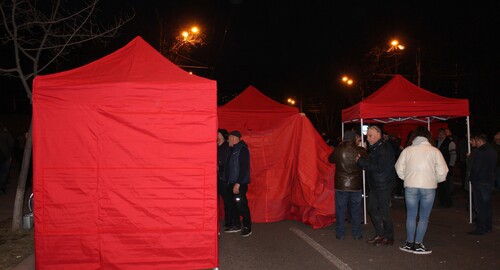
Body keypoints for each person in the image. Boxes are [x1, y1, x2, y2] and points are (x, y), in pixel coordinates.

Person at [395, 126, 449, 254]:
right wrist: (434, 180)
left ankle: (409, 244)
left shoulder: (407, 150)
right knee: (424, 216)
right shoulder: (435, 151)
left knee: (411, 215)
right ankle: (418, 244)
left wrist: (406, 178)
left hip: (411, 186)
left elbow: (399, 168)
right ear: (428, 137)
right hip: (428, 187)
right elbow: (443, 171)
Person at [356, 126, 396, 246]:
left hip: (383, 184)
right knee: (372, 208)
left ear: (378, 134)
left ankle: (388, 237)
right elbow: (374, 164)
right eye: (367, 135)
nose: (368, 138)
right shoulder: (377, 147)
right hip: (376, 184)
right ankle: (381, 233)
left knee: (384, 212)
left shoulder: (383, 148)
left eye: (370, 136)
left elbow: (378, 167)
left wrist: (361, 162)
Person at [328, 130, 367, 240]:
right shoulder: (361, 150)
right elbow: (367, 162)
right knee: (356, 209)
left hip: (341, 184)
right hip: (356, 185)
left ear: (344, 139)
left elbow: (330, 160)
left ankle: (340, 233)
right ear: (355, 139)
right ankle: (357, 233)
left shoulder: (338, 150)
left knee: (341, 209)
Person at [223, 130, 252, 237]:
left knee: (241, 205)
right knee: (233, 205)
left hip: (238, 184)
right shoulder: (232, 150)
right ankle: (236, 225)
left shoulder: (242, 150)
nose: (228, 140)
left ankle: (247, 227)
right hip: (231, 183)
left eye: (229, 138)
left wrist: (238, 183)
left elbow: (244, 169)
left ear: (234, 139)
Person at [467, 133, 497, 235]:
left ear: (480, 141)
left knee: (480, 206)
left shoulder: (479, 152)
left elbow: (476, 167)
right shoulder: (493, 151)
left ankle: (481, 227)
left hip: (480, 181)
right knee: (487, 205)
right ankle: (488, 226)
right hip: (489, 180)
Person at [436, 128, 456, 208]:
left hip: (446, 166)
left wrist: (451, 166)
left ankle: (448, 202)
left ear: (445, 134)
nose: (440, 135)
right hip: (438, 167)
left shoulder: (450, 143)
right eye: (439, 133)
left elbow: (453, 155)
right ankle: (442, 201)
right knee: (440, 185)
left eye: (441, 133)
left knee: (446, 185)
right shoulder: (437, 142)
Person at [217, 129, 231, 230]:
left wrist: (219, 166)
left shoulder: (227, 147)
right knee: (213, 200)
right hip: (214, 178)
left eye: (218, 133)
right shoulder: (214, 146)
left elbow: (228, 163)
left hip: (223, 178)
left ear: (222, 135)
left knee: (227, 200)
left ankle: (228, 222)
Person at [0, 124, 15, 194]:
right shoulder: (6, 134)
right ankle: (2, 187)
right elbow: (12, 144)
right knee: (4, 172)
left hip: (4, 155)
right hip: (5, 155)